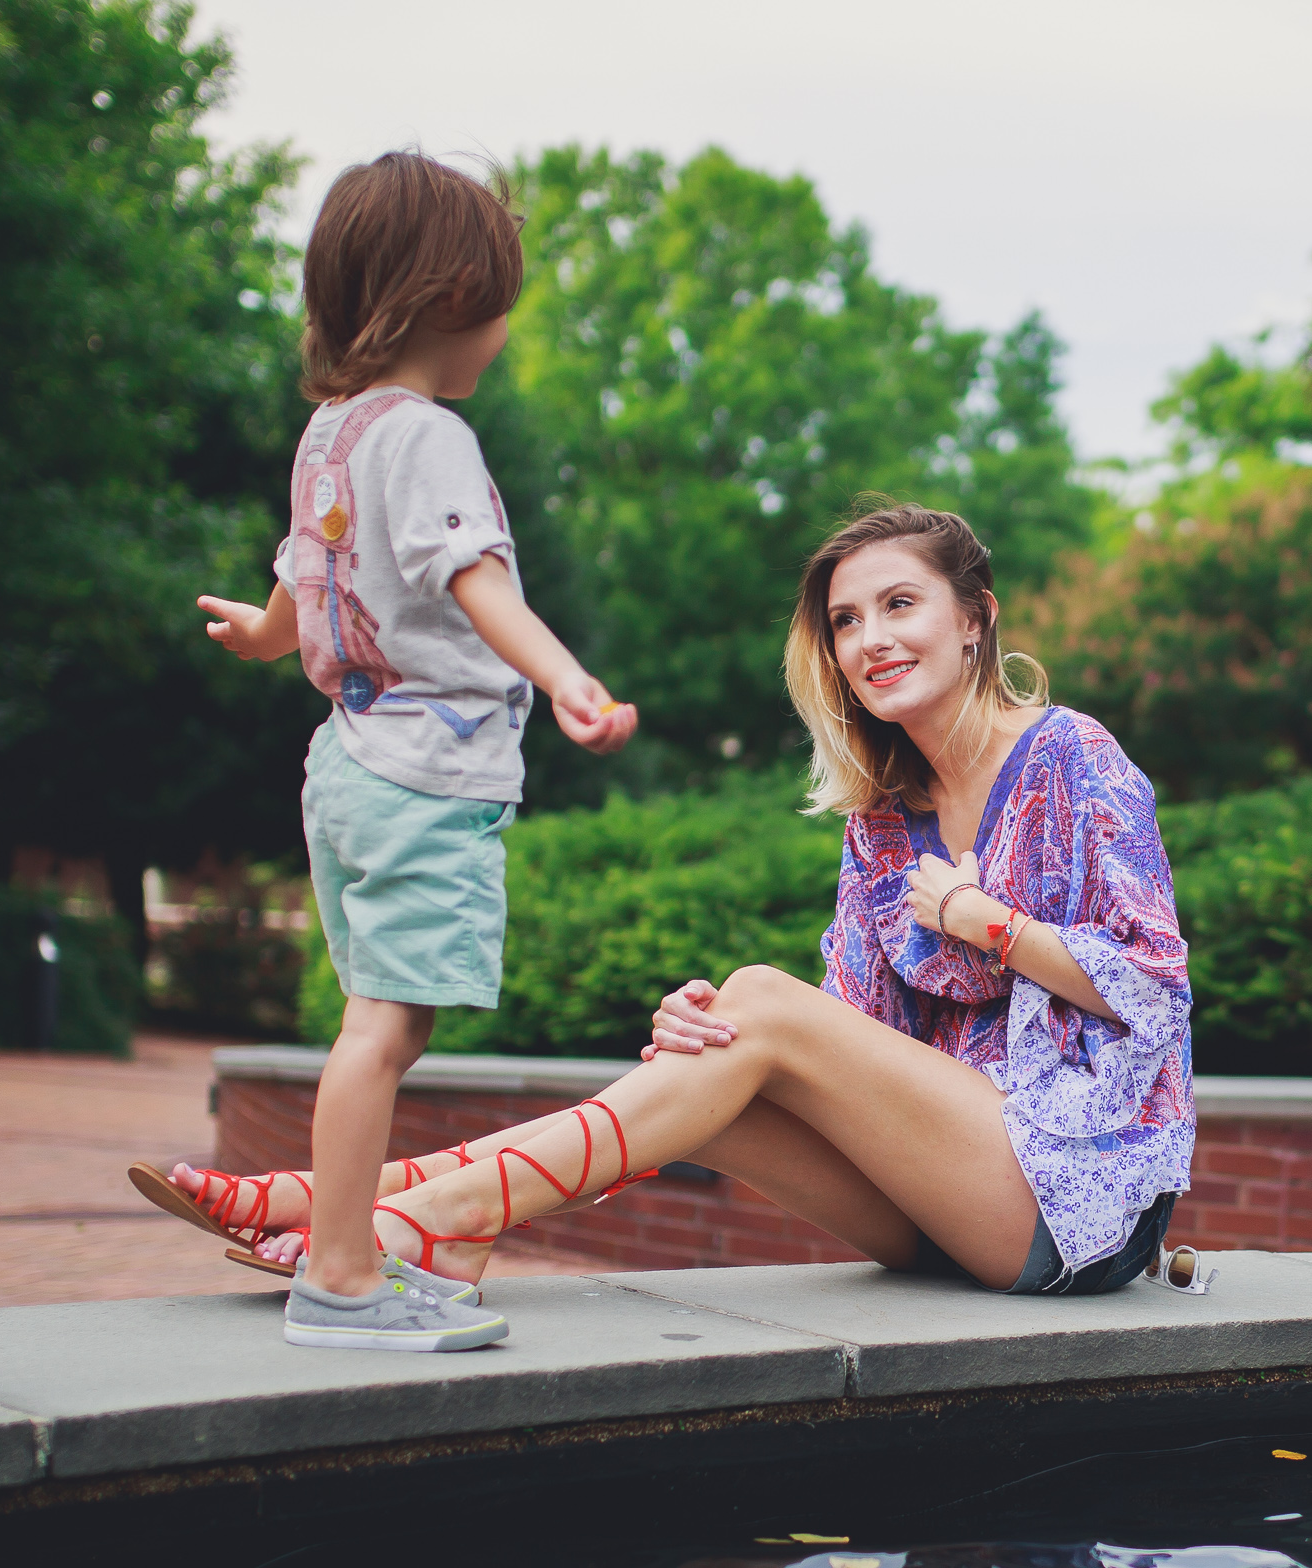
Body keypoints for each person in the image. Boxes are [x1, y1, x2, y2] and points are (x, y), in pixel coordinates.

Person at [171, 503, 1195, 1298]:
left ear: (973, 619)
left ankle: (419, 1216)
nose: (869, 637)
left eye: (898, 604)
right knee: (715, 1048)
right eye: (844, 620)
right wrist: (725, 1033)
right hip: (940, 1199)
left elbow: (1153, 990)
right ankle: (362, 1202)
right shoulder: (882, 820)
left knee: (754, 994)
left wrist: (991, 926)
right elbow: (853, 1037)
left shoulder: (1072, 757)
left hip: (1075, 1203)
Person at [131, 152, 636, 1351]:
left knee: (373, 1019)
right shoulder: (428, 438)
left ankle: (346, 1258)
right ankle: (343, 1278)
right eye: (500, 300)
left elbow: (305, 570)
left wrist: (263, 635)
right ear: (448, 296)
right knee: (385, 1031)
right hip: (424, 770)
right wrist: (560, 673)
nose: (505, 328)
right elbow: (473, 581)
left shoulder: (331, 433)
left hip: (346, 764)